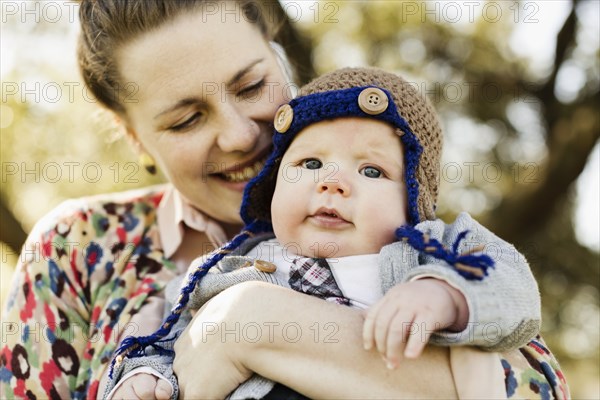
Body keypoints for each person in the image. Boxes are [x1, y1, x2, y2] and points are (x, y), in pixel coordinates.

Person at [0, 1, 569, 400]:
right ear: (135, 138)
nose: (240, 136)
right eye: (187, 119)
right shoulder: (80, 248)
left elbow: (536, 384)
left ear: (280, 59)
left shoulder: (403, 223)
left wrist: (252, 325)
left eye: (250, 87)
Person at [106, 68, 568, 400]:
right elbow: (160, 337)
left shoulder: (434, 253)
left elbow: (513, 287)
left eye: (371, 169)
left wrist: (444, 295)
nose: (333, 182)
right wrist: (143, 376)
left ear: (413, 204)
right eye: (309, 163)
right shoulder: (227, 267)